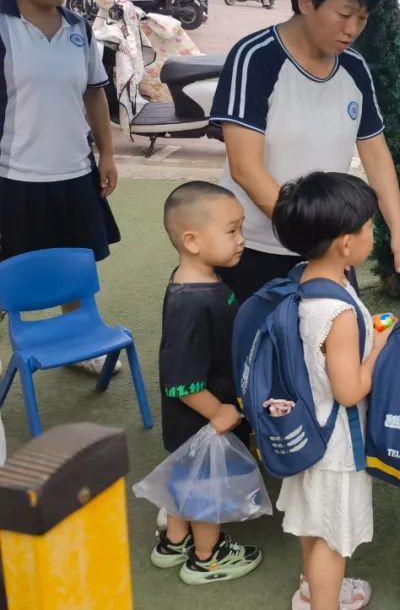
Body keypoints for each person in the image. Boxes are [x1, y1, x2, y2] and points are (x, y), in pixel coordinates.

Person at [209, 0, 400, 302]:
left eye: (362, 18)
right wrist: (309, 237)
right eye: (344, 14)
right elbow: (245, 167)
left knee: (334, 349)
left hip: (328, 248)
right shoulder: (255, 58)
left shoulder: (354, 69)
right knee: (256, 351)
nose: (352, 29)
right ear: (306, 1)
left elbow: (376, 154)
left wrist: (399, 230)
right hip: (255, 247)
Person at [0, 0, 121, 375]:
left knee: (76, 266)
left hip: (73, 171)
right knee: (10, 273)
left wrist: (106, 155)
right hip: (14, 176)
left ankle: (81, 345)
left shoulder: (78, 29)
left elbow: (95, 94)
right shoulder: (1, 23)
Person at [272, 171, 388, 610]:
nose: (372, 232)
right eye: (370, 225)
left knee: (313, 525)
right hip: (335, 443)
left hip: (305, 426)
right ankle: (326, 601)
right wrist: (377, 347)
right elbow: (349, 390)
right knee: (333, 540)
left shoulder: (304, 278)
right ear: (345, 242)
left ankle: (312, 591)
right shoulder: (336, 310)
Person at [153, 181, 262, 585]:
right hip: (202, 414)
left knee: (185, 476)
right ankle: (206, 556)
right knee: (205, 488)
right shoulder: (191, 302)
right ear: (192, 241)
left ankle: (174, 540)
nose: (241, 240)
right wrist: (218, 411)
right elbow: (180, 379)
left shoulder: (201, 281)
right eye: (232, 231)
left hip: (197, 416)